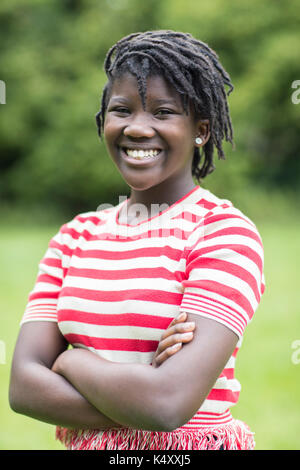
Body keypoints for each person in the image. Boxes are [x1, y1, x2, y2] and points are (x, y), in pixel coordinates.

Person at [9, 30, 265, 450]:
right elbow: (23, 388)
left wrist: (72, 359)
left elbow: (168, 403)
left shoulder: (222, 232)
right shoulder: (74, 237)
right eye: (122, 110)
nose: (138, 128)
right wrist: (141, 394)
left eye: (163, 112)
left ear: (201, 129)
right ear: (103, 123)